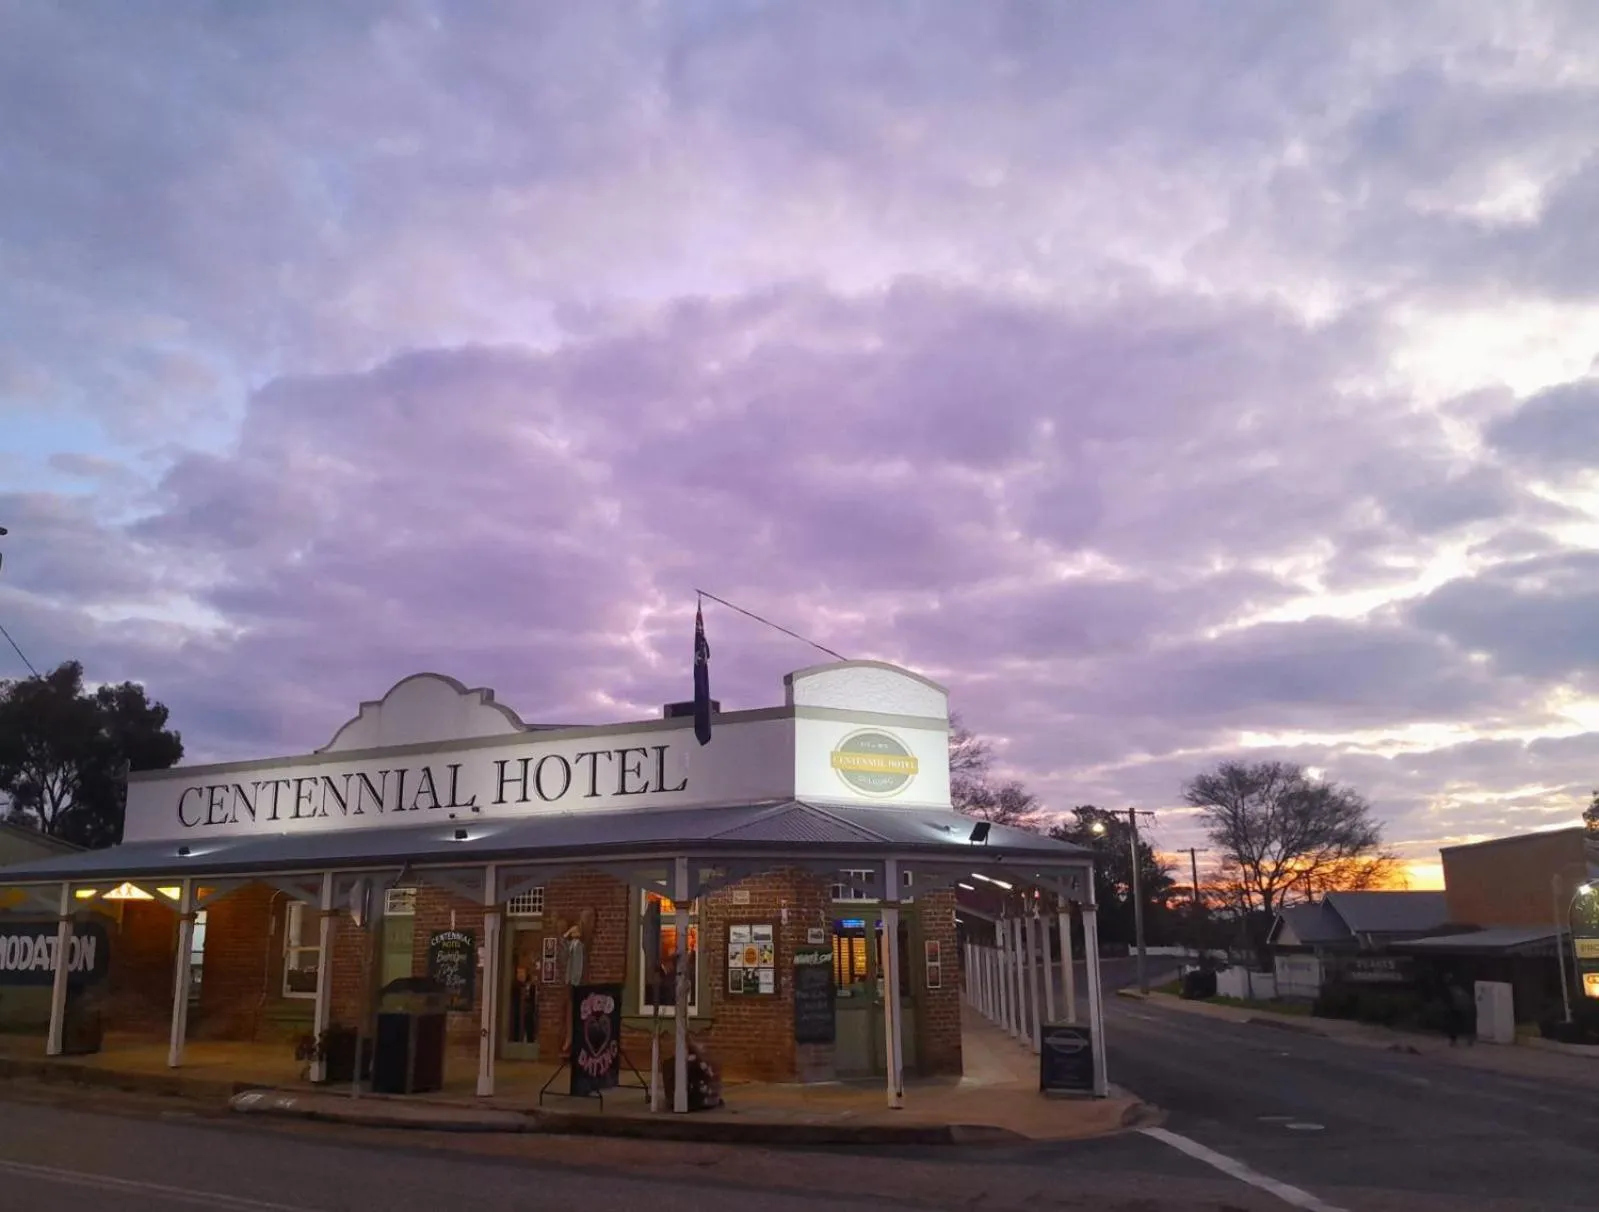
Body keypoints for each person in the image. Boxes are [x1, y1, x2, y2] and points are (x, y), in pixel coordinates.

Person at [1446, 976, 1475, 1046]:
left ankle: (1453, 1041)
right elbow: (1467, 998)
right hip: (1464, 1008)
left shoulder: (1451, 989)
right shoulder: (1461, 989)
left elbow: (1449, 1000)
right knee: (1465, 1024)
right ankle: (1469, 1039)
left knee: (1453, 1025)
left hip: (1456, 1008)